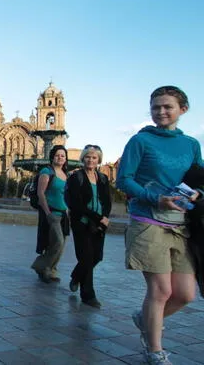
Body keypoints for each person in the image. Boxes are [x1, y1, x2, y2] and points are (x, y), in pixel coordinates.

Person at [116, 86, 202, 364]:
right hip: (147, 221)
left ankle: (145, 318)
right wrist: (156, 198)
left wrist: (199, 192)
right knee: (162, 291)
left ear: (182, 109)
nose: (161, 112)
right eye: (156, 107)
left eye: (167, 106)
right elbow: (124, 180)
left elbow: (199, 177)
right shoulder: (140, 141)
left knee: (186, 294)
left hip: (181, 225)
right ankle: (154, 350)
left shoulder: (191, 144)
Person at [65, 145, 112, 308]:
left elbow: (107, 201)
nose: (91, 160)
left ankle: (76, 276)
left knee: (97, 256)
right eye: (88, 157)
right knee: (86, 258)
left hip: (99, 224)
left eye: (94, 157)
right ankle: (88, 295)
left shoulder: (103, 178)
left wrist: (105, 216)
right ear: (83, 158)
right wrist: (99, 218)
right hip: (82, 223)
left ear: (99, 160)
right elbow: (76, 204)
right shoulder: (75, 177)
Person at [31, 145, 69, 283]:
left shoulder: (66, 175)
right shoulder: (47, 172)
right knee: (57, 242)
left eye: (63, 155)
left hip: (64, 213)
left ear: (66, 159)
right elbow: (41, 194)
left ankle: (51, 270)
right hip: (51, 213)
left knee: (61, 243)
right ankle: (41, 266)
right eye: (57, 155)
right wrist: (47, 213)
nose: (60, 157)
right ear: (52, 156)